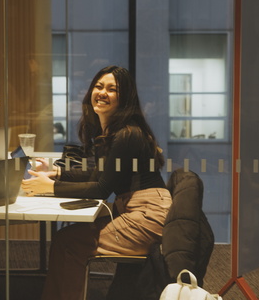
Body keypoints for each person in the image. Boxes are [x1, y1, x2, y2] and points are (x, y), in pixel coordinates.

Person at [21, 65, 172, 300]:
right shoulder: (115, 131)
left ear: (125, 98)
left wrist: (49, 188)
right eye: (99, 86)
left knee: (70, 244)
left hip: (148, 215)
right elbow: (98, 173)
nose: (102, 92)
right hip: (138, 207)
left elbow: (101, 188)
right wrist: (56, 174)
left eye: (112, 89)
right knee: (63, 239)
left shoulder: (127, 134)